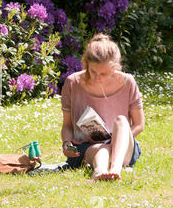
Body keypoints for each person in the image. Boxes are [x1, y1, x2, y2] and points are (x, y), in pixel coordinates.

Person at [60, 33, 144, 181]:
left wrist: (115, 141)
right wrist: (66, 143)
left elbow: (138, 124)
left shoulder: (128, 82)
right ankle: (99, 172)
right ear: (86, 63)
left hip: (123, 145)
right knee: (100, 148)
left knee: (121, 121)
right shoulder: (72, 83)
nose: (97, 77)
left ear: (115, 67)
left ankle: (115, 169)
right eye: (93, 71)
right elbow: (67, 125)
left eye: (103, 73)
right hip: (88, 146)